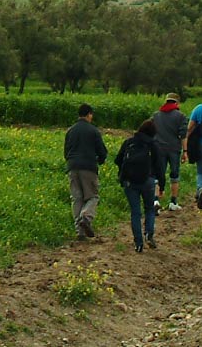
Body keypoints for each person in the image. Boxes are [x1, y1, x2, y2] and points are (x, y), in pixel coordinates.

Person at [114, 117, 161, 252]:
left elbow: (118, 160)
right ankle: (149, 232)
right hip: (148, 181)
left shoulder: (129, 142)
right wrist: (161, 184)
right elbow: (159, 167)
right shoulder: (153, 145)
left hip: (130, 182)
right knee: (149, 209)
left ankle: (138, 243)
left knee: (135, 212)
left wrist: (124, 173)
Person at [63, 104, 108, 240]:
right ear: (89, 114)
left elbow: (66, 152)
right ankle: (86, 217)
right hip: (88, 167)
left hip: (72, 166)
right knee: (92, 197)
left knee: (77, 199)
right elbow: (102, 152)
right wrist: (100, 160)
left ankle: (80, 232)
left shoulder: (70, 131)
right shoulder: (93, 131)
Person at [152, 93, 188, 212]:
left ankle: (155, 200)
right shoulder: (181, 116)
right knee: (174, 175)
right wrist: (185, 151)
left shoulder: (156, 115)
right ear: (177, 103)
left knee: (157, 174)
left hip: (158, 148)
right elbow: (183, 135)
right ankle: (173, 202)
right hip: (174, 149)